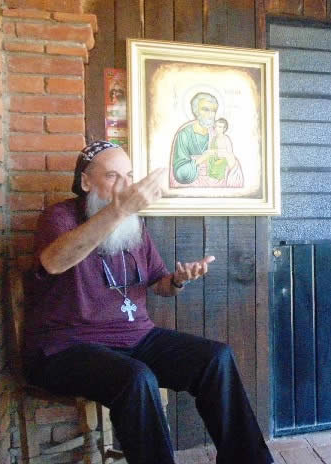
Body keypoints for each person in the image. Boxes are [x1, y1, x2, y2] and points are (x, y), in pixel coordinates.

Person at [24, 141, 273, 464]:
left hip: (136, 338)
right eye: (112, 176)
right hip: (67, 347)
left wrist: (178, 280)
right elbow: (54, 262)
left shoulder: (134, 225)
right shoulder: (59, 217)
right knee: (137, 377)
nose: (125, 186)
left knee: (216, 358)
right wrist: (119, 211)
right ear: (85, 182)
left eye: (129, 176)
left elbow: (160, 284)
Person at [171, 92, 219, 187]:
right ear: (195, 111)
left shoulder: (216, 135)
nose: (210, 114)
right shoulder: (184, 135)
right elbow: (180, 173)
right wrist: (201, 159)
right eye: (205, 109)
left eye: (213, 110)